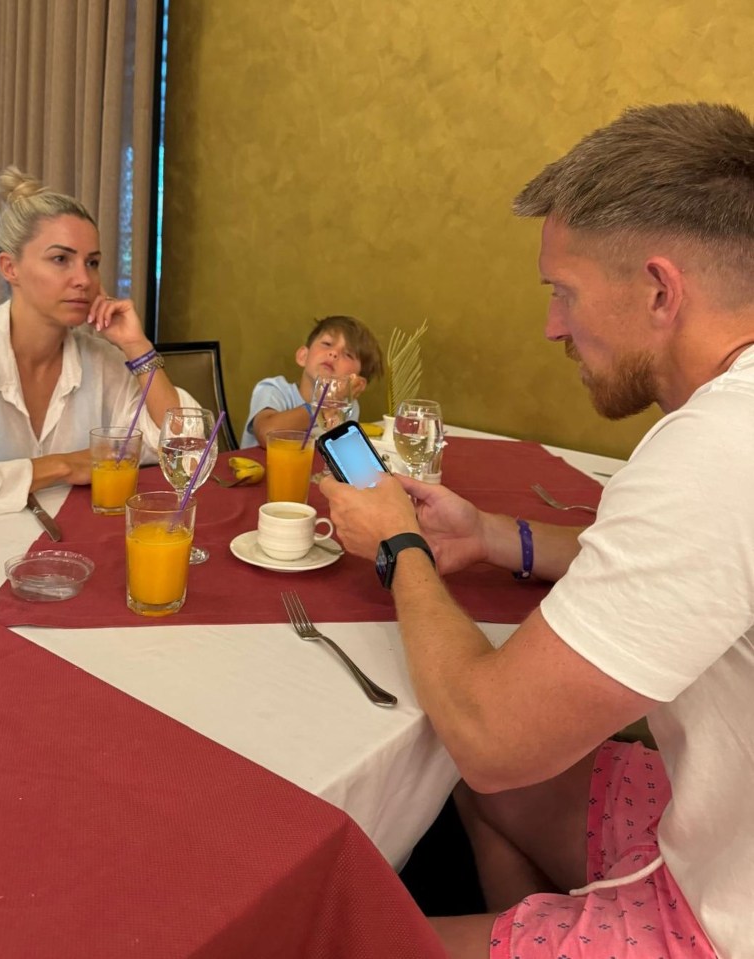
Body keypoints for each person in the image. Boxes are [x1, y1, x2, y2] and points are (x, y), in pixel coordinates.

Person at [321, 102, 754, 958]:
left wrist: (398, 545)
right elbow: (695, 578)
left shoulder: (718, 448)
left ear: (661, 290)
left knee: (325, 936)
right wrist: (491, 537)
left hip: (723, 915)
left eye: (564, 293)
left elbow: (490, 738)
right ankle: (537, 933)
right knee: (482, 796)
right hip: (719, 822)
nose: (553, 326)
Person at [0, 166, 197, 524]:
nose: (84, 280)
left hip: (76, 553)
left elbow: (189, 457)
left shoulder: (104, 361)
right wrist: (60, 466)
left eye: (92, 263)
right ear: (10, 267)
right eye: (61, 259)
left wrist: (137, 348)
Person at [239, 314, 383, 448]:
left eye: (348, 354)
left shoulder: (347, 407)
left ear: (357, 382)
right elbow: (267, 434)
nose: (334, 353)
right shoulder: (273, 389)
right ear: (303, 356)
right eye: (327, 344)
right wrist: (325, 404)